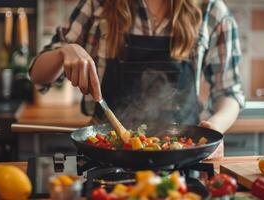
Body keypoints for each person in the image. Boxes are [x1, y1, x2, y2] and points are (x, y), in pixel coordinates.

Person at [30, 0, 244, 158]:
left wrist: (214, 128)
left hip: (182, 156)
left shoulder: (211, 10)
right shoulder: (98, 4)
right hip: (107, 155)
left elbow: (229, 92)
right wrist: (63, 52)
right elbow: (37, 75)